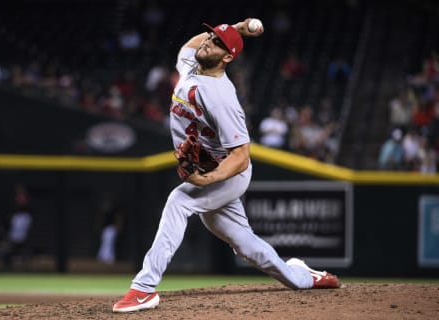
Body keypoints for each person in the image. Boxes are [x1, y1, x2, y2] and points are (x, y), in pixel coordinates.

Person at [112, 18, 341, 314]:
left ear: (228, 58)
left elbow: (241, 155)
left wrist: (209, 180)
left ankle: (143, 288)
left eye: (218, 43)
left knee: (178, 201)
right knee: (247, 247)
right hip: (211, 168)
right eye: (210, 37)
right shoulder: (191, 65)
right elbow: (188, 46)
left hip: (228, 173)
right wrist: (236, 28)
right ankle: (302, 276)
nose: (208, 42)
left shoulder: (222, 97)